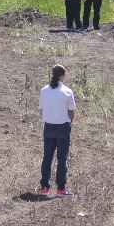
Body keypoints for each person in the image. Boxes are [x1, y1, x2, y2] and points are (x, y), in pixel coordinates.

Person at [39, 64, 76, 197]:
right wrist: (68, 123)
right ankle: (61, 189)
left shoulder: (44, 90)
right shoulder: (67, 92)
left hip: (48, 127)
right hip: (62, 127)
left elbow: (42, 108)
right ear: (63, 76)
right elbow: (71, 112)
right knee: (62, 159)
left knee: (47, 158)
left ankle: (44, 187)